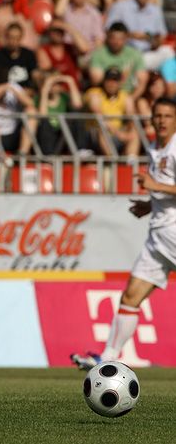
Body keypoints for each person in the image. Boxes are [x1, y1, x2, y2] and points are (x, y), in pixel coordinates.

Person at [71, 97, 176, 370]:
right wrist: (150, 204)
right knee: (130, 297)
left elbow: (164, 184)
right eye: (159, 115)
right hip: (158, 236)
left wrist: (155, 185)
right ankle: (107, 359)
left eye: (168, 116)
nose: (162, 120)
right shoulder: (155, 147)